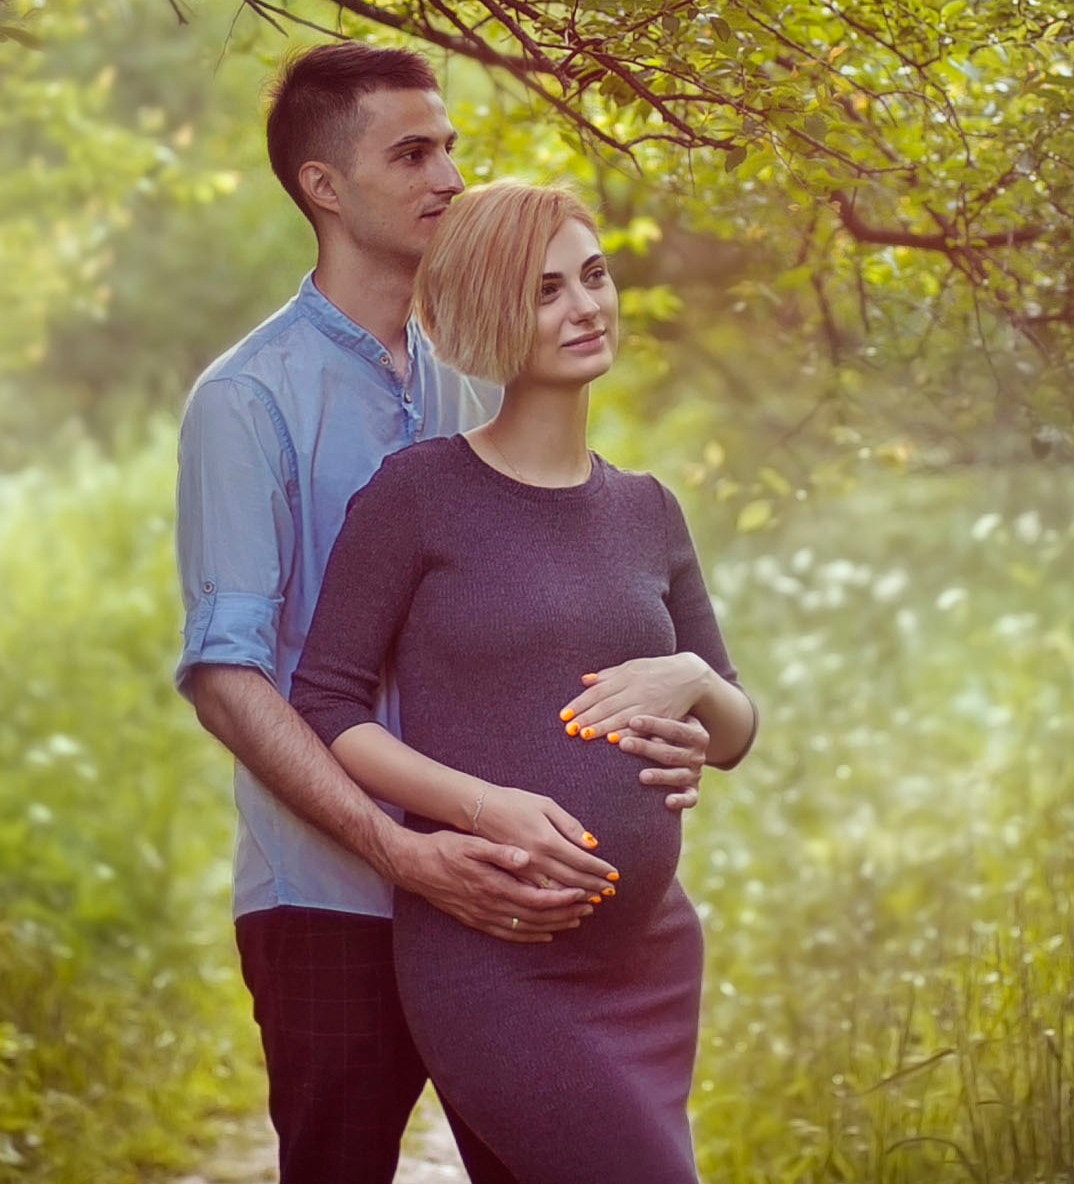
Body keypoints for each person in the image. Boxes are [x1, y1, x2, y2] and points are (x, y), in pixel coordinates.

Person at [173, 45, 716, 1184]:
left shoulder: (478, 378)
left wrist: (677, 708)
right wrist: (402, 849)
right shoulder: (246, 400)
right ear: (325, 186)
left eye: (452, 147)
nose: (449, 177)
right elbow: (231, 677)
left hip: (515, 913)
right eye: (412, 153)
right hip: (328, 894)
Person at [290, 183, 758, 1184]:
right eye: (545, 290)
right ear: (493, 313)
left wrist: (686, 677)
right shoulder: (417, 495)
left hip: (647, 962)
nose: (585, 307)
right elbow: (324, 706)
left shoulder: (647, 508)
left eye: (593, 277)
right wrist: (479, 806)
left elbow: (734, 722)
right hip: (492, 958)